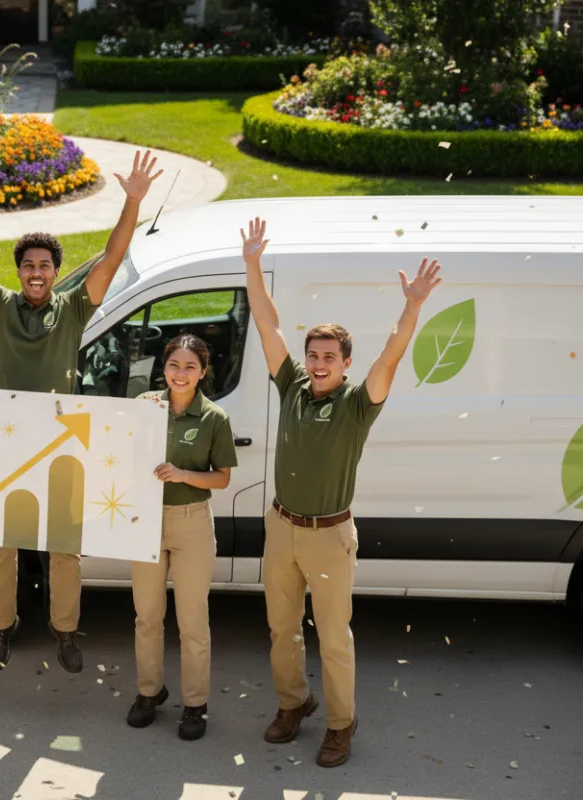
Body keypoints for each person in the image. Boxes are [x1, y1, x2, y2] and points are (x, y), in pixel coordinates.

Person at [0, 150, 164, 674]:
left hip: (61, 446)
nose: (36, 273)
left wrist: (133, 202)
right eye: (28, 265)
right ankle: (0, 630)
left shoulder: (74, 308)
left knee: (64, 551)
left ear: (55, 272)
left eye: (45, 266)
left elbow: (113, 256)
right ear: (19, 271)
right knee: (1, 546)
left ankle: (64, 632)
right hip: (4, 449)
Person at [240, 217, 442, 767]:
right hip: (281, 526)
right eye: (314, 355)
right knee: (281, 629)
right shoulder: (292, 385)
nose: (319, 363)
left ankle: (339, 725)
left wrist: (412, 305)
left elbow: (391, 356)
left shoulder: (357, 403)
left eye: (330, 357)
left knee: (333, 638)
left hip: (329, 536)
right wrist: (252, 265)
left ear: (346, 363)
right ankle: (293, 704)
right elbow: (267, 323)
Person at [127, 335, 236, 740]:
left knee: (192, 620)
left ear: (203, 372)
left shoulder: (214, 418)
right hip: (146, 522)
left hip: (191, 523)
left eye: (190, 367)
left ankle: (195, 704)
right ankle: (149, 692)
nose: (181, 373)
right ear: (164, 367)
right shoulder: (146, 407)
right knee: (147, 616)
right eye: (174, 365)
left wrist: (183, 474)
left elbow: (222, 479)